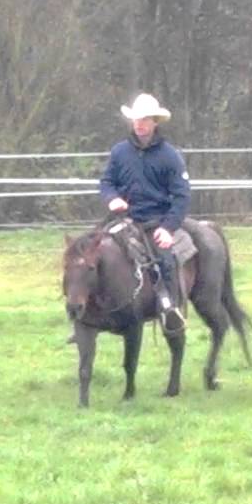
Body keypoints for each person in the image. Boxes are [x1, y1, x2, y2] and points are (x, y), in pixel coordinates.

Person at [99, 92, 191, 331]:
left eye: (145, 119)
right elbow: (107, 181)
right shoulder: (119, 152)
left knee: (165, 260)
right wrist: (112, 199)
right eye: (136, 119)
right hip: (123, 219)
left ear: (155, 122)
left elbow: (182, 196)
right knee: (88, 252)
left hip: (155, 221)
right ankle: (87, 311)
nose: (139, 124)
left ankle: (169, 308)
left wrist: (168, 228)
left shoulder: (170, 157)